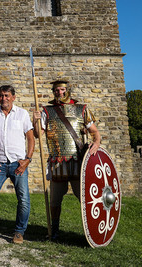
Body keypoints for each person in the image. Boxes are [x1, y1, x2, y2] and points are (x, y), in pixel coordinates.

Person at [33, 80, 101, 240]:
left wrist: (96, 143)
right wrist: (35, 120)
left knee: (85, 199)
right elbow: (38, 134)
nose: (59, 93)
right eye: (56, 90)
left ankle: (92, 231)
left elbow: (94, 132)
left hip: (78, 161)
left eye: (62, 89)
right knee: (55, 200)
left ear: (67, 90)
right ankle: (54, 231)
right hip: (58, 162)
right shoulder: (47, 111)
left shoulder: (81, 109)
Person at [0, 85, 35, 245]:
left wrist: (28, 159)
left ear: (13, 97)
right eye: (1, 96)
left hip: (18, 163)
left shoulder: (22, 114)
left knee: (23, 199)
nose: (3, 98)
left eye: (6, 95)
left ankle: (19, 232)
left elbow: (30, 138)